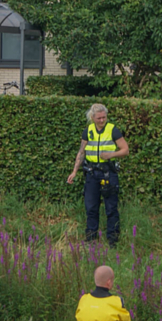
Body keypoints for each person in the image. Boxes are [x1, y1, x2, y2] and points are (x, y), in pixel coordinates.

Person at [68, 104, 129, 246]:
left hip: (108, 173)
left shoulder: (113, 130)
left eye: (104, 117)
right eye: (99, 118)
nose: (102, 120)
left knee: (111, 208)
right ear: (92, 118)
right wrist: (74, 171)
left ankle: (113, 240)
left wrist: (111, 155)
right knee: (91, 207)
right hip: (91, 173)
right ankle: (90, 239)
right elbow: (81, 152)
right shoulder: (88, 131)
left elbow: (125, 150)